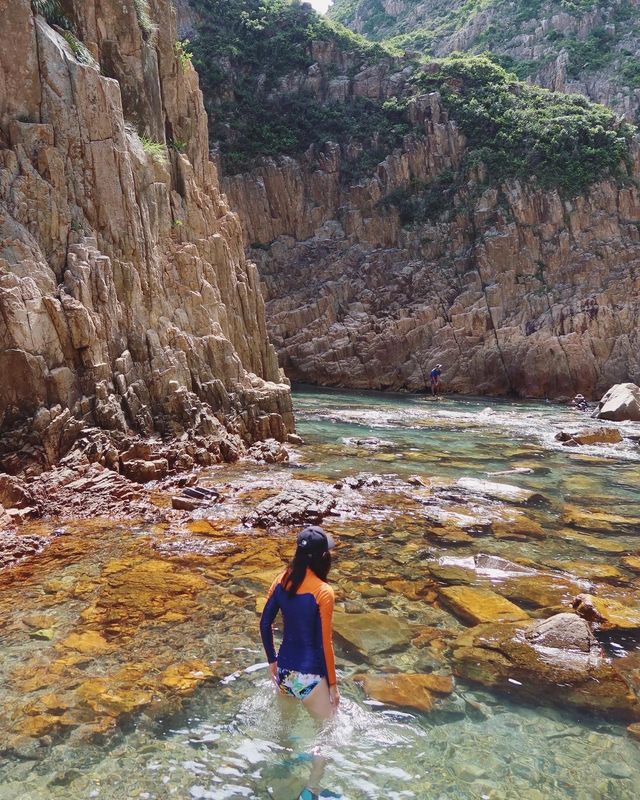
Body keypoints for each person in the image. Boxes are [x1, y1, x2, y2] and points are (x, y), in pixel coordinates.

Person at [260, 526, 340, 800]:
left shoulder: (282, 579)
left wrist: (272, 660)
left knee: (285, 725)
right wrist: (333, 685)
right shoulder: (323, 592)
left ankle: (281, 771)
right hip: (310, 677)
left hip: (284, 673)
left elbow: (264, 622)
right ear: (321, 557)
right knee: (328, 732)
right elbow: (325, 644)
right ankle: (311, 792)